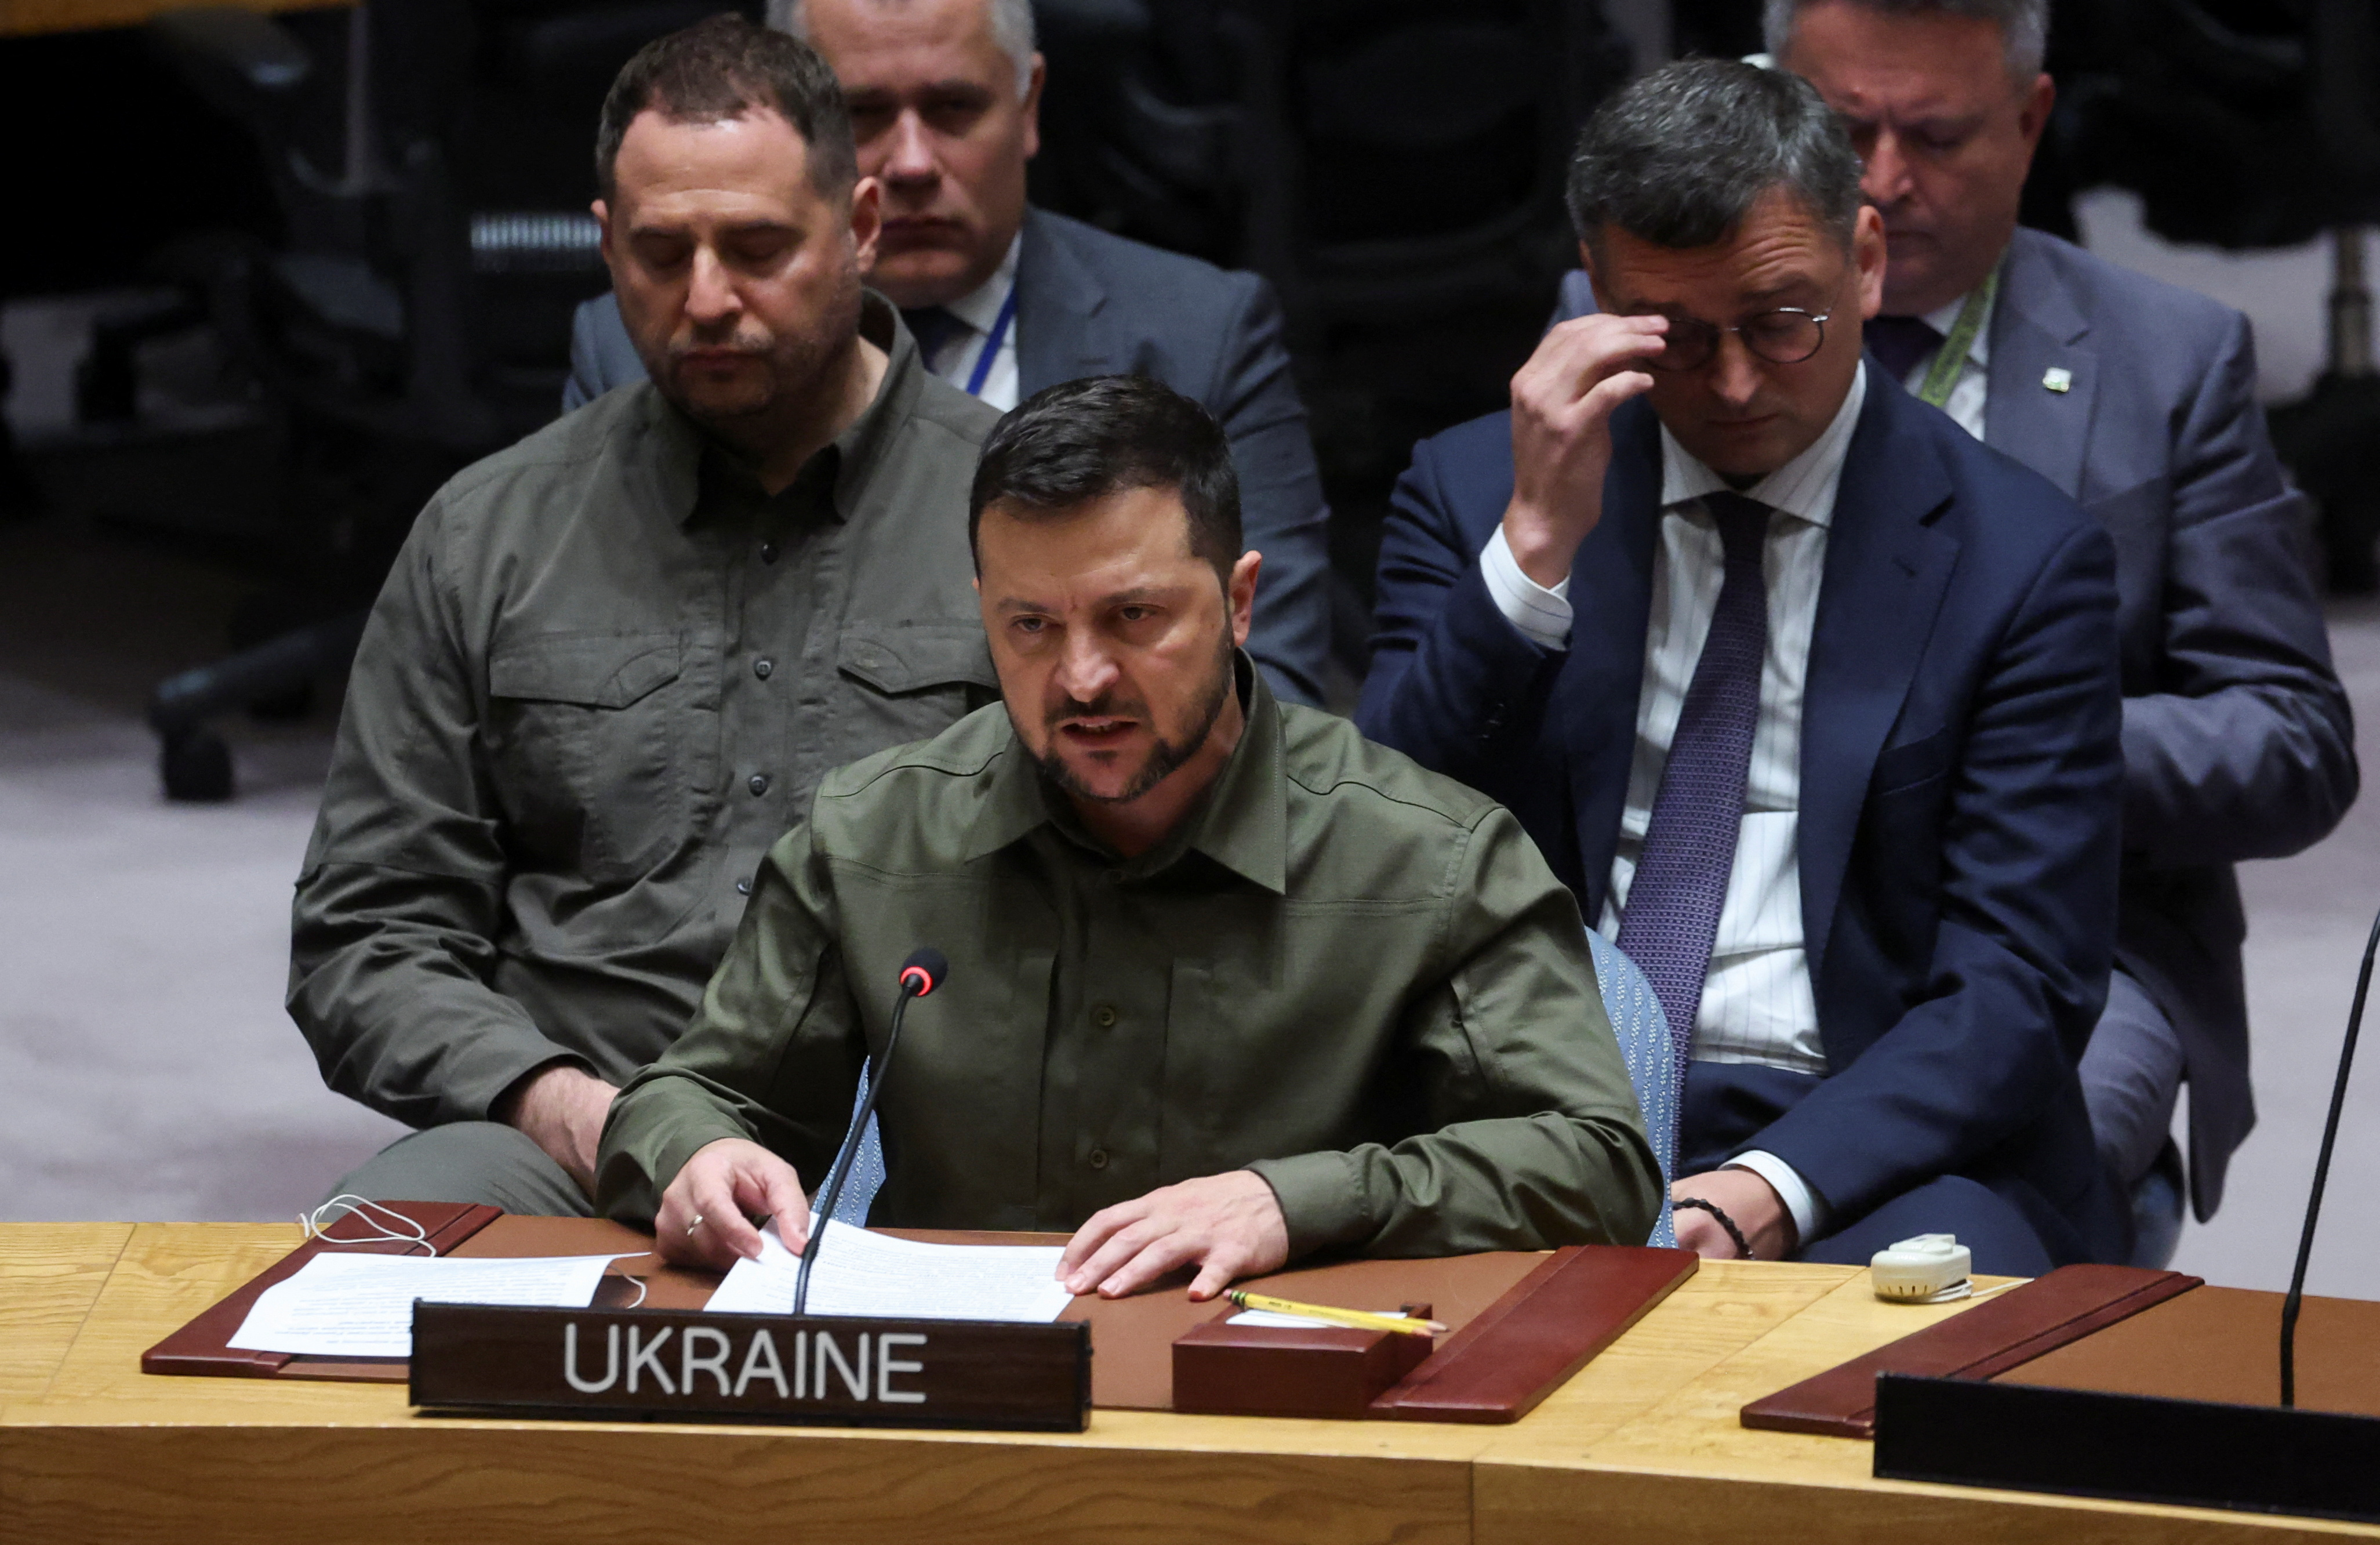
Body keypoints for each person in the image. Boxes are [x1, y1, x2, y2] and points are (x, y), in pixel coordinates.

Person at [598, 375, 1660, 1294]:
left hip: (1282, 1416)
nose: (1082, 679)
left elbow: (1598, 1163)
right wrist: (697, 1154)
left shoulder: (1425, 858)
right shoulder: (873, 838)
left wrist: (1296, 1201)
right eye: (1031, 627)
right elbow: (693, 1095)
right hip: (962, 1411)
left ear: (1240, 602)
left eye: (1133, 619)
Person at [1360, 59, 2130, 1274]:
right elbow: (1372, 849)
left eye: (1781, 322)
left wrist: (1762, 1194)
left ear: (1865, 261)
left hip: (1868, 1133)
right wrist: (1529, 559)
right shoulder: (1474, 496)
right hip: (1530, 1108)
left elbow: (2016, 986)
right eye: (1676, 337)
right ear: (1596, 296)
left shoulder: (2021, 563)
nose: (1730, 386)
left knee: (1921, 1384)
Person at [289, 17, 1002, 1214]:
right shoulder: (490, 533)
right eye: (662, 253)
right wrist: (575, 1109)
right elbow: (370, 935)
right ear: (605, 245)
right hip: (583, 1131)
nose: (707, 299)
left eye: (758, 247)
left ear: (862, 229)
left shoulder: (1022, 518)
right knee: (354, 1309)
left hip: (946, 1145)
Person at [1756, 0, 2356, 1259]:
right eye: (1842, 130)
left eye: (1935, 135)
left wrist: (1996, 749)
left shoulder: (2164, 361)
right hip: (1722, 904)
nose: (1881, 182)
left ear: (2029, 125)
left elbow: (2292, 742)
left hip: (2068, 939)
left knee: (1976, 1206)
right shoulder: (1656, 322)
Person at [562, 0, 1333, 709]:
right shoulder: (648, 347)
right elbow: (587, 671)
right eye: (861, 114)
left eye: (954, 108)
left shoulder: (1200, 335)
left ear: (1028, 105)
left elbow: (1271, 688)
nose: (911, 164)